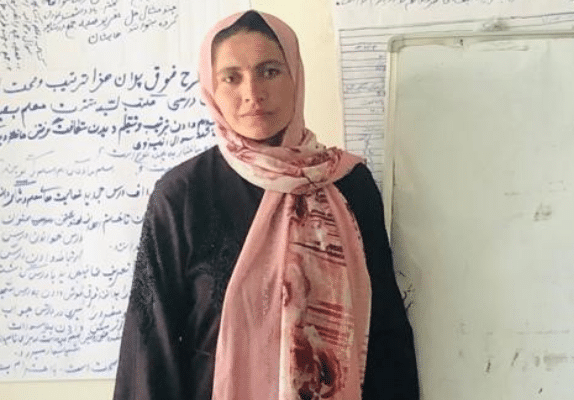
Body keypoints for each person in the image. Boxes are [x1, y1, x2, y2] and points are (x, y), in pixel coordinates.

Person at [112, 10, 420, 400]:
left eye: (269, 71)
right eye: (231, 77)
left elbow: (385, 330)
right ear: (211, 87)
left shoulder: (348, 183)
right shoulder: (183, 195)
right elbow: (151, 342)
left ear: (295, 76)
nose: (253, 94)